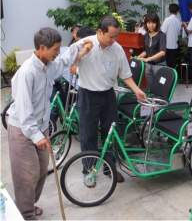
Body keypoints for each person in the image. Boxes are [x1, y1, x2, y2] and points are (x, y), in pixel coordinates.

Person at [7, 27, 90, 220]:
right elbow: (24, 111)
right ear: (42, 48)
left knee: (41, 170)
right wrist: (36, 136)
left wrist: (81, 46)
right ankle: (26, 213)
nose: (57, 52)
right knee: (27, 174)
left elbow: (65, 60)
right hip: (22, 129)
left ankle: (29, 204)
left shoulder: (48, 65)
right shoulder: (27, 72)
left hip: (41, 127)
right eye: (55, 49)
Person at [69, 16, 146, 183]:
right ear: (100, 32)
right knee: (88, 133)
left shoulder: (117, 49)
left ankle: (109, 167)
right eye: (111, 36)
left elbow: (125, 74)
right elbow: (71, 66)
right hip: (88, 94)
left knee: (111, 132)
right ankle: (89, 170)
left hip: (108, 95)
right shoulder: (84, 44)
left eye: (116, 36)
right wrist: (81, 56)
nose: (114, 40)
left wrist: (137, 90)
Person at [50, 26, 96, 122]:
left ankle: (55, 119)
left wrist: (78, 70)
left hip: (87, 89)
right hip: (69, 82)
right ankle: (57, 118)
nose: (78, 45)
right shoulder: (72, 50)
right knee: (56, 91)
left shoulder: (95, 53)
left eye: (80, 42)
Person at [137, 13, 166, 88]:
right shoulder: (146, 35)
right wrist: (138, 57)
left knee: (160, 87)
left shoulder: (161, 35)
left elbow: (162, 52)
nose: (151, 25)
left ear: (157, 23)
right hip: (148, 66)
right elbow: (146, 51)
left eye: (153, 22)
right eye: (148, 23)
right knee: (150, 87)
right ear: (146, 23)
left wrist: (148, 59)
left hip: (159, 65)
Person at [161, 3, 181, 68]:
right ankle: (173, 77)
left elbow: (162, 32)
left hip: (167, 46)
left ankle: (168, 77)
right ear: (177, 11)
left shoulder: (167, 20)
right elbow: (178, 33)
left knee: (168, 65)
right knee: (173, 64)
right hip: (175, 46)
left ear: (169, 10)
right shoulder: (178, 21)